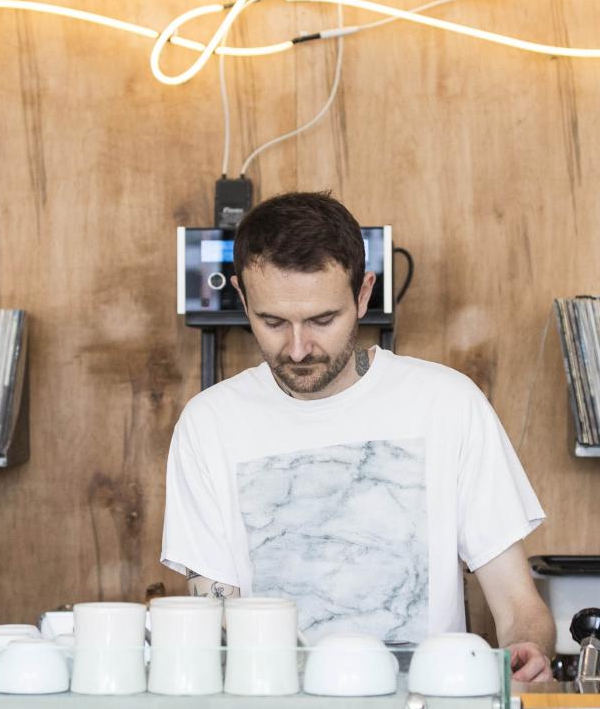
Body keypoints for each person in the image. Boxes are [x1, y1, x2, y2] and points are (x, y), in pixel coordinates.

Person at [161, 190, 556, 680]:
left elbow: (518, 603)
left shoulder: (448, 404)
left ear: (364, 294)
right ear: (242, 297)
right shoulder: (208, 425)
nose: (299, 349)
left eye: (323, 320)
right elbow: (213, 621)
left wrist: (527, 650)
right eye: (272, 322)